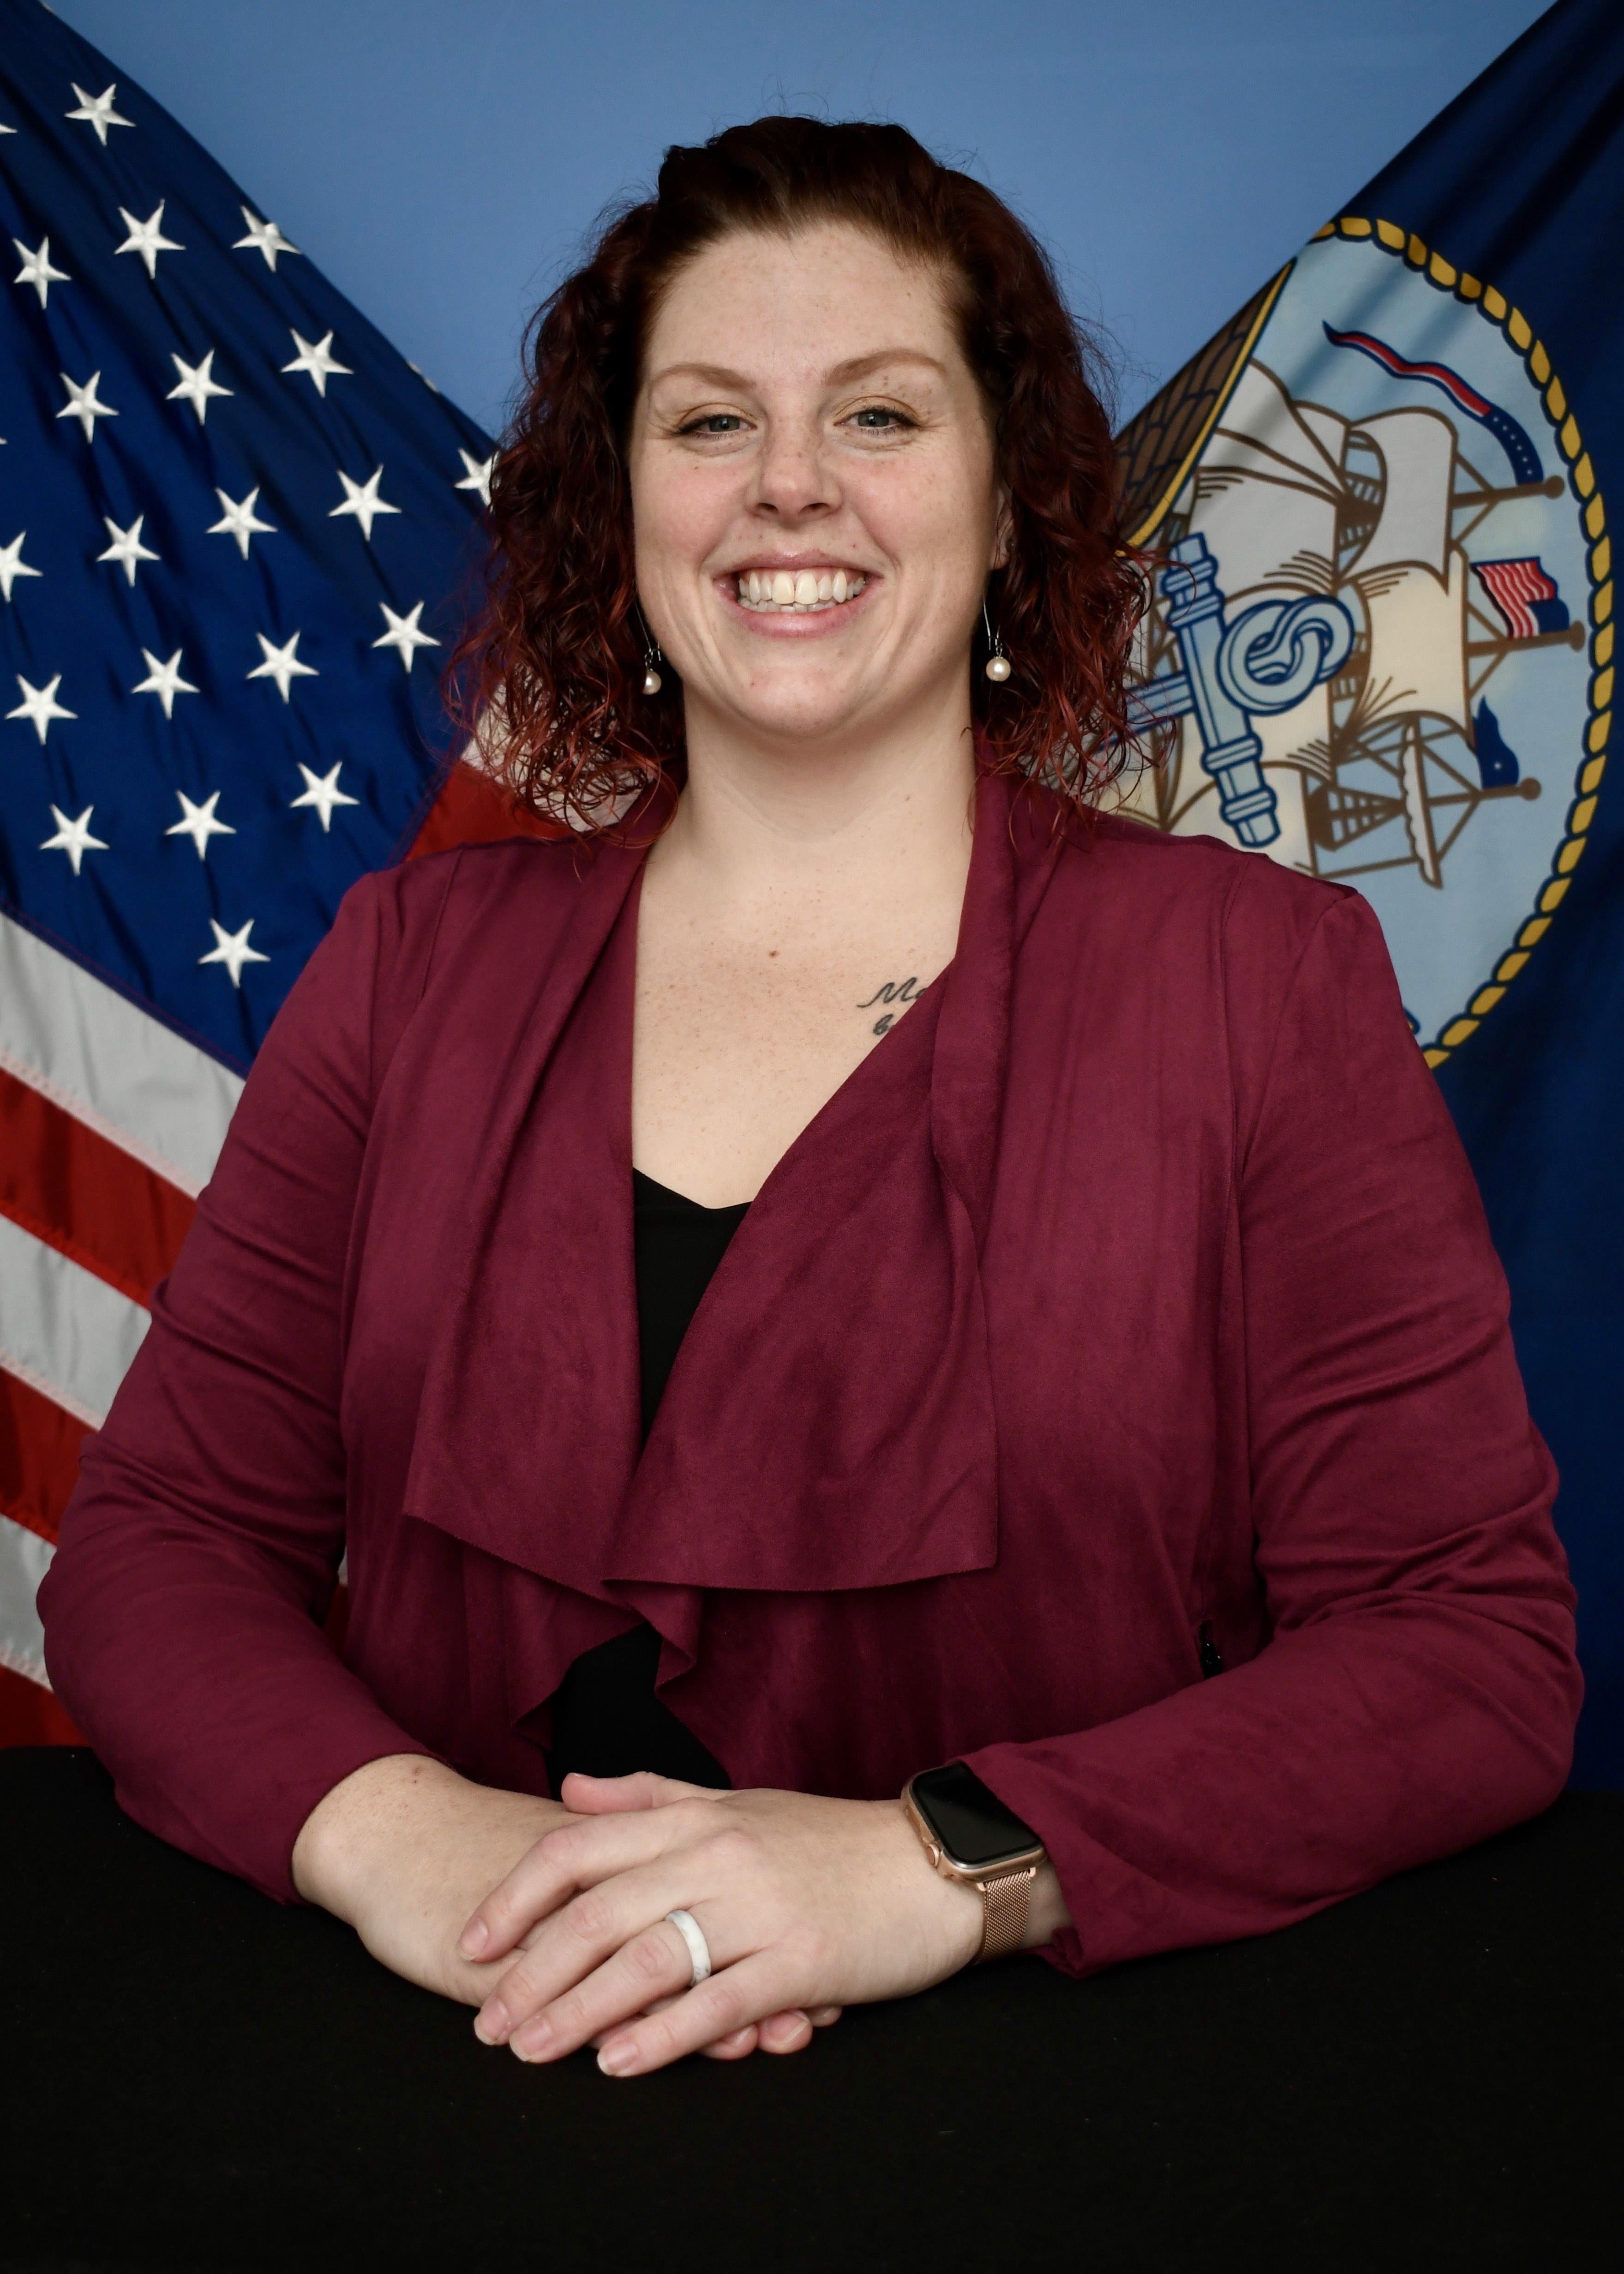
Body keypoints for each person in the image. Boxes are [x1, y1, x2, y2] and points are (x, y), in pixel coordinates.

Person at [39, 117, 1582, 2083]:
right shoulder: (408, 963)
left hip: (1054, 2105)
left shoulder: (1253, 980)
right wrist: (412, 1842)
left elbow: (1467, 1649)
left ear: (1013, 499)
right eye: (706, 423)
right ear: (620, 502)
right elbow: (158, 1543)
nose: (788, 485)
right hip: (448, 2066)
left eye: (876, 414)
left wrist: (942, 1864)